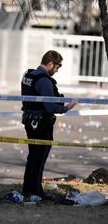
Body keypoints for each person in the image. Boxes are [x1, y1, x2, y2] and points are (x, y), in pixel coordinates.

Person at [21, 50, 77, 201]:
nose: (57, 71)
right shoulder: (45, 81)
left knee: (32, 156)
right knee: (39, 158)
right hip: (41, 123)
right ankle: (36, 192)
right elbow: (50, 107)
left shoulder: (29, 75)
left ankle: (28, 189)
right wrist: (67, 108)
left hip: (29, 120)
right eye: (57, 67)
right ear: (50, 64)